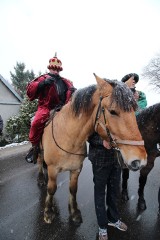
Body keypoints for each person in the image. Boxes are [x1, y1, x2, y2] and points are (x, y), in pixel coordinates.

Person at [25, 53, 76, 163]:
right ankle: (35, 148)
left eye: (57, 69)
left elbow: (68, 96)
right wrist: (42, 84)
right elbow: (30, 90)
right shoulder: (43, 78)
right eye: (53, 69)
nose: (56, 71)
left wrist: (71, 92)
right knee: (36, 123)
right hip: (46, 107)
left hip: (62, 108)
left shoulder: (65, 82)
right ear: (50, 68)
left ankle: (73, 149)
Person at [88, 132, 127, 240]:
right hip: (100, 160)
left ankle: (113, 218)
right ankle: (102, 227)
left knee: (114, 191)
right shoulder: (95, 114)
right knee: (100, 194)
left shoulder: (119, 115)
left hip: (116, 160)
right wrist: (102, 142)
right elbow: (87, 135)